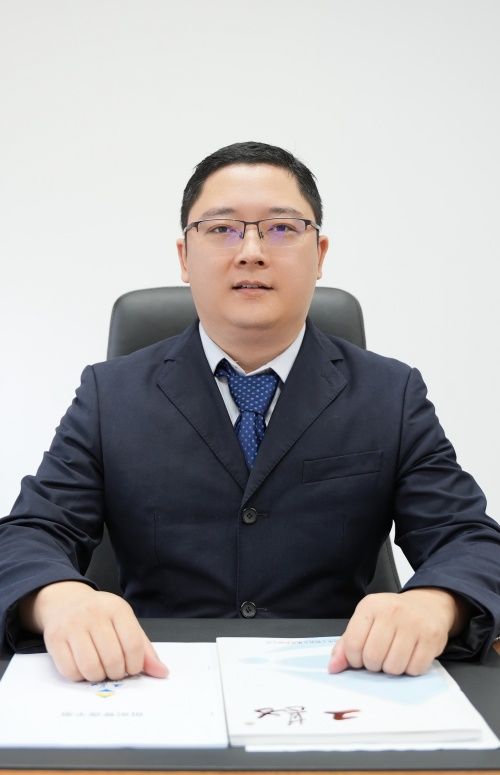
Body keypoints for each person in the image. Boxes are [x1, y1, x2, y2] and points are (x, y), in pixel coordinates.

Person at [1, 141, 499, 684]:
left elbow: (468, 538)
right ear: (184, 257)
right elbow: (30, 533)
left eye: (282, 228)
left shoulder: (390, 393)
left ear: (320, 254)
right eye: (222, 229)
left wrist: (435, 603)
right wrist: (58, 599)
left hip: (339, 680)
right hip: (156, 678)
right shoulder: (110, 395)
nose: (252, 252)